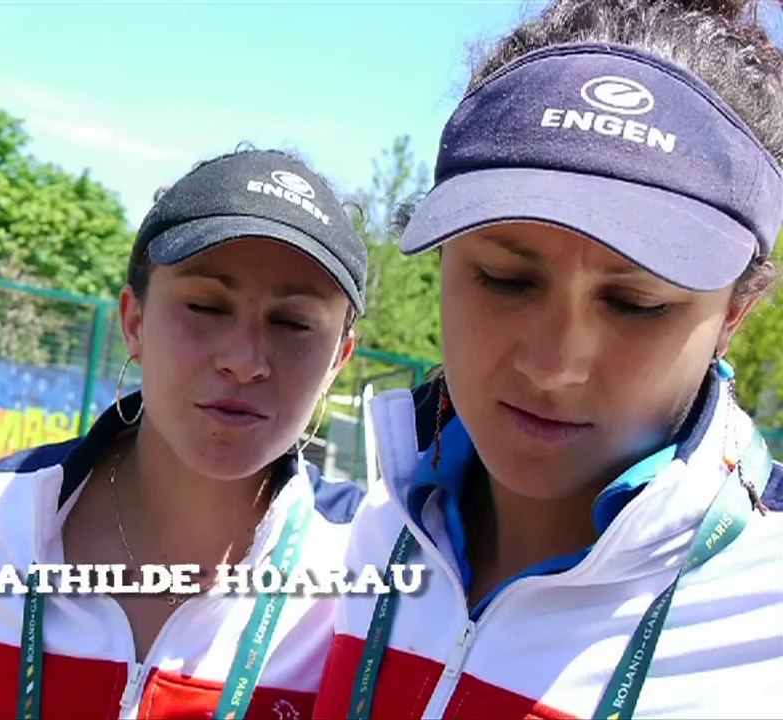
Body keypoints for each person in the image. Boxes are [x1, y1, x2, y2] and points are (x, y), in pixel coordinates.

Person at [313, 1, 783, 718]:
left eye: (636, 303)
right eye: (505, 279)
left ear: (735, 314)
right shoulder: (381, 526)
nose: (553, 364)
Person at [0, 147, 369, 719]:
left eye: (293, 323)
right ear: (135, 322)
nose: (245, 360)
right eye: (205, 306)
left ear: (338, 360)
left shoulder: (374, 575)